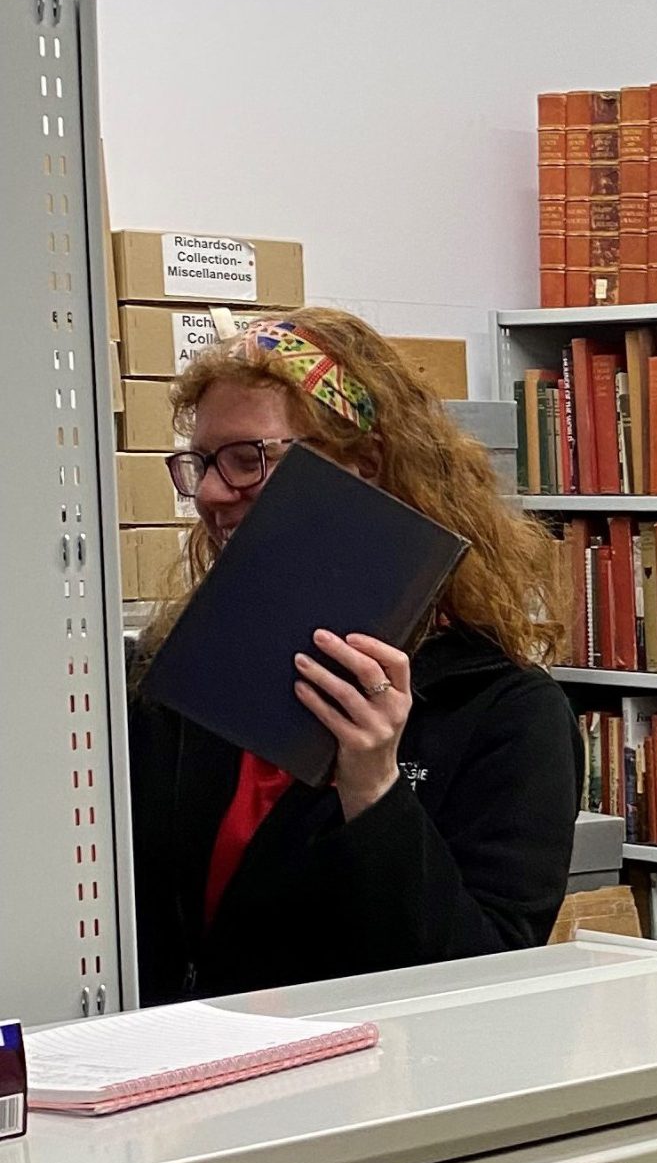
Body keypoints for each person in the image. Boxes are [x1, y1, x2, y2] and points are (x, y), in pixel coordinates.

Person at [129, 306, 579, 1002]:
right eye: (203, 464)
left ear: (362, 469)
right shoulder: (185, 683)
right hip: (183, 1082)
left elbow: (481, 979)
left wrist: (373, 788)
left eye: (250, 460)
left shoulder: (504, 712)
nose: (214, 494)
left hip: (368, 1094)